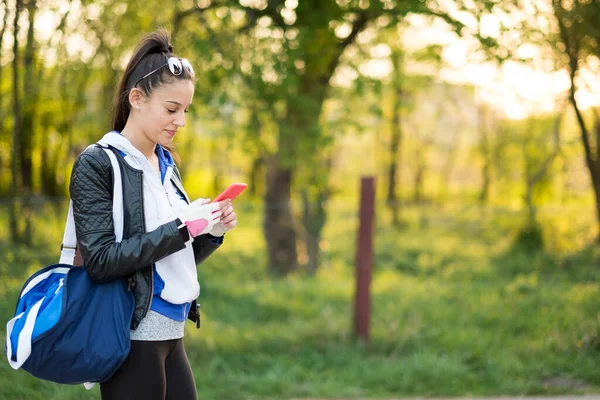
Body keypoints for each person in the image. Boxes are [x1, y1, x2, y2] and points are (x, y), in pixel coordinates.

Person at [69, 29, 237, 400]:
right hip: (132, 336)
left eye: (186, 111)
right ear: (137, 98)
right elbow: (100, 261)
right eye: (171, 109)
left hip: (172, 333)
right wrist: (181, 228)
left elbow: (172, 256)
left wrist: (209, 231)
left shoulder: (166, 165)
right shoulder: (98, 163)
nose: (180, 121)